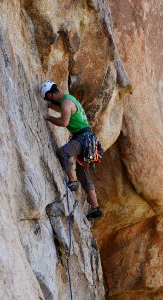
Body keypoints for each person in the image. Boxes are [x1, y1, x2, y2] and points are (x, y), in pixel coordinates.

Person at [40, 80, 102, 219]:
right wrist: (50, 106)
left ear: (50, 95)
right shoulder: (68, 100)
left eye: (47, 99)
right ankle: (95, 208)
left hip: (83, 139)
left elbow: (64, 122)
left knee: (63, 152)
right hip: (89, 141)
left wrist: (48, 117)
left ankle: (72, 182)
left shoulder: (66, 102)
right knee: (84, 176)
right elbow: (63, 109)